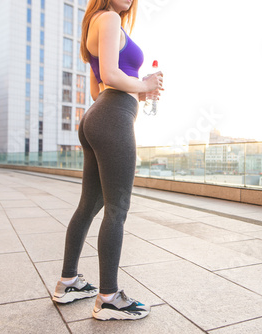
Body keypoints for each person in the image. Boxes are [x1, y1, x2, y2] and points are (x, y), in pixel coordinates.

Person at [52, 0, 163, 321]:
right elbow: (113, 74)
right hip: (113, 118)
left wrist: (138, 93)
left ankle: (68, 282)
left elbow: (96, 88)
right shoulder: (111, 17)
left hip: (97, 115)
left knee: (88, 205)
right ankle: (109, 298)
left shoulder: (93, 23)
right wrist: (144, 84)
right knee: (117, 208)